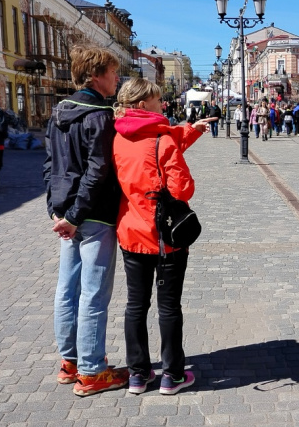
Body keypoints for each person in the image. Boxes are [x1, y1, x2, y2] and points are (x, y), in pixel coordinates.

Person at [112, 78, 211, 396]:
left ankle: (138, 376)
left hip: (131, 233)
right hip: (165, 237)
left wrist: (191, 130)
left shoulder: (117, 137)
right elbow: (183, 189)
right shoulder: (162, 140)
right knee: (169, 307)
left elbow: (160, 143)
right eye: (157, 100)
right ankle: (172, 375)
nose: (162, 104)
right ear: (143, 106)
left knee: (135, 306)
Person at [43, 45, 127, 396]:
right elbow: (98, 171)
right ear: (95, 75)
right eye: (112, 72)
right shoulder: (99, 116)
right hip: (93, 216)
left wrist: (57, 210)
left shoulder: (59, 112)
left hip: (66, 214)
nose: (117, 78)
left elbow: (50, 165)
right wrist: (75, 216)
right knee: (93, 292)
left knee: (67, 290)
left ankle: (70, 361)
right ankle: (92, 371)